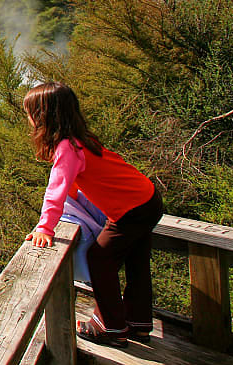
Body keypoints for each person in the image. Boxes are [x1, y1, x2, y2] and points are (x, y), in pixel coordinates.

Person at [22, 82, 163, 347]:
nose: (28, 120)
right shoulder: (82, 139)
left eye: (30, 113)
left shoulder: (67, 147)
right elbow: (75, 183)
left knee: (100, 259)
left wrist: (45, 228)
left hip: (132, 210)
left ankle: (110, 327)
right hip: (147, 198)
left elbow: (56, 189)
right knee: (136, 260)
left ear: (43, 117)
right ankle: (138, 323)